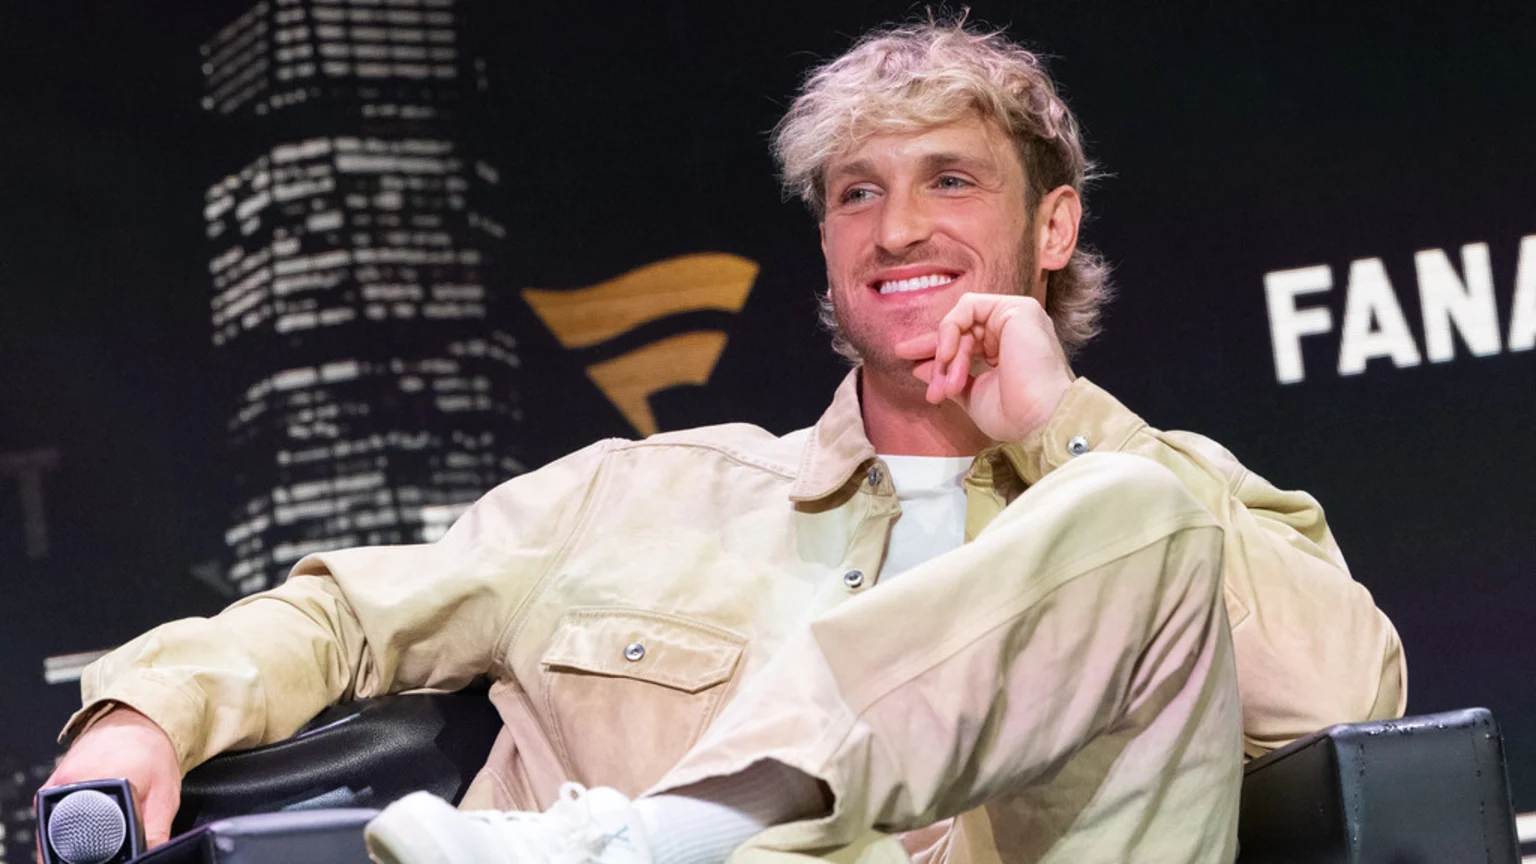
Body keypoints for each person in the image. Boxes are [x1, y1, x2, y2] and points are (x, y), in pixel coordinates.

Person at [43, 18, 1405, 864]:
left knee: (1130, 517)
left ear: (1051, 231)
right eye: (856, 192)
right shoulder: (633, 499)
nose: (899, 227)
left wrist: (1060, 427)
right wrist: (136, 720)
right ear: (826, 241)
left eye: (951, 180)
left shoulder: (1174, 495)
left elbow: (1347, 706)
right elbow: (342, 620)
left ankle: (672, 837)